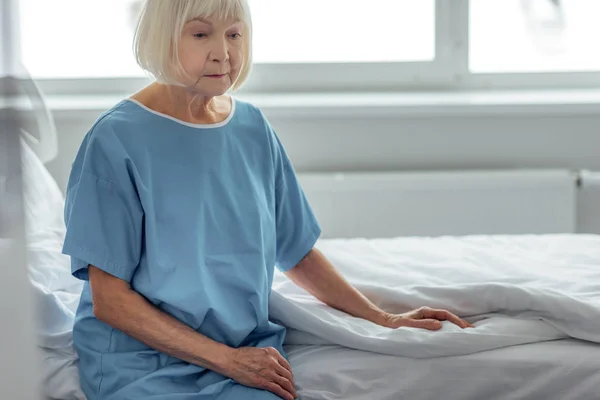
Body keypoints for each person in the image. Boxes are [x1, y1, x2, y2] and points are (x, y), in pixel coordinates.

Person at [61, 1, 473, 399]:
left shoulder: (251, 127)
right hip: (144, 360)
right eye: (201, 34)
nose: (224, 53)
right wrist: (230, 361)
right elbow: (110, 302)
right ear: (162, 38)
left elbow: (297, 253)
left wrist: (384, 319)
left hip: (243, 347)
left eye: (235, 34)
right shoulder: (116, 140)